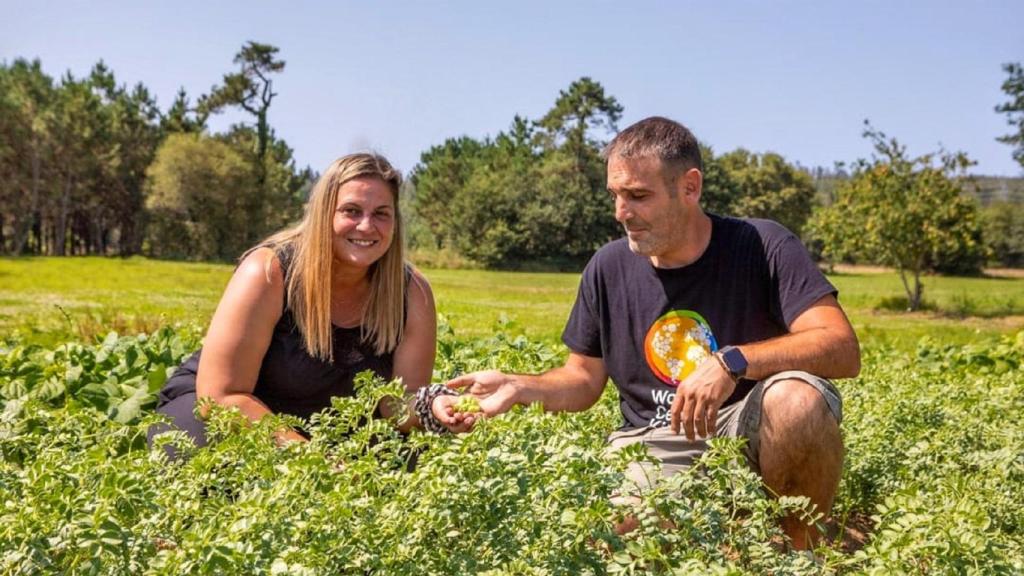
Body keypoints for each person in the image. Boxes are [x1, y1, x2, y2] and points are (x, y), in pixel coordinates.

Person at [441, 117, 860, 549]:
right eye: (616, 196)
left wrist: (733, 362)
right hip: (657, 441)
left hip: (749, 426)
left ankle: (799, 555)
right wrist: (518, 385)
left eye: (638, 196)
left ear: (690, 187)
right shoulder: (609, 267)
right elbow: (582, 380)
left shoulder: (762, 245)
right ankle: (728, 522)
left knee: (797, 401)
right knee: (612, 536)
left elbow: (841, 347)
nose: (621, 213)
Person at [149, 153, 467, 452]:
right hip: (229, 410)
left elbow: (394, 406)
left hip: (324, 427)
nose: (367, 226)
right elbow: (220, 397)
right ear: (323, 213)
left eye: (381, 214)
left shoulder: (410, 292)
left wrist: (429, 406)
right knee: (207, 457)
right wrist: (313, 462)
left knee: (409, 459)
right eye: (351, 211)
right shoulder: (270, 272)